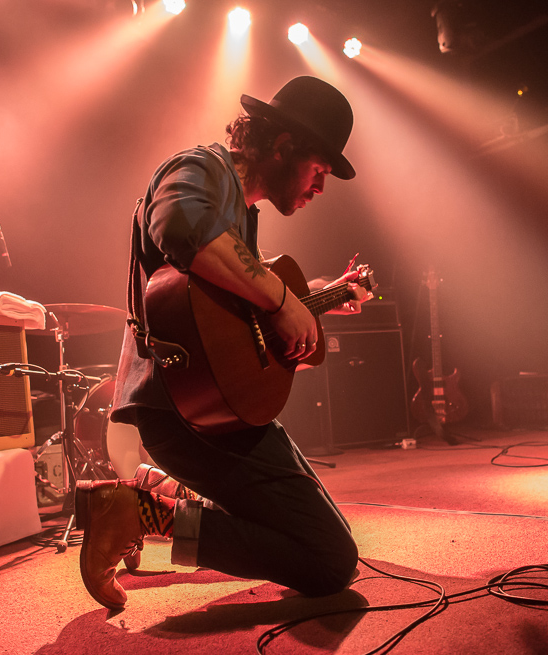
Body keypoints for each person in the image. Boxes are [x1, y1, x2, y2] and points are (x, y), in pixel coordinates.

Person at [77, 75, 371, 610]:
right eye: (318, 169)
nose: (320, 188)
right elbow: (182, 227)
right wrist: (284, 302)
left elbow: (233, 325)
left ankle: (164, 494)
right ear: (283, 146)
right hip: (184, 413)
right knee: (329, 559)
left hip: (218, 411)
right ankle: (139, 512)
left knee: (324, 531)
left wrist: (317, 301)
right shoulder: (198, 168)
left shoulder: (242, 215)